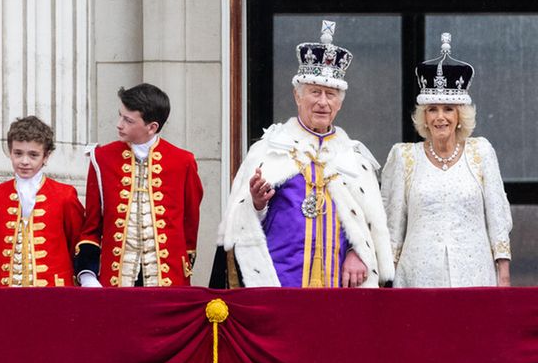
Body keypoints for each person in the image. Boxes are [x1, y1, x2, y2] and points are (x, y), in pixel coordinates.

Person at [214, 20, 392, 288]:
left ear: (339, 103)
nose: (322, 101)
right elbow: (241, 225)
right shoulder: (267, 150)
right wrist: (257, 203)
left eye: (330, 94)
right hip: (278, 282)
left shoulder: (355, 159)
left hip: (339, 289)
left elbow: (368, 226)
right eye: (314, 92)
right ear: (298, 96)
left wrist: (359, 252)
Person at [382, 33, 512, 287]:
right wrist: (387, 278)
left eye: (448, 109)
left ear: (460, 115)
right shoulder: (404, 156)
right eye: (433, 109)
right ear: (424, 116)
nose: (440, 117)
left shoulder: (481, 152)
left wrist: (503, 274)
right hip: (418, 279)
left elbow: (497, 216)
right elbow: (393, 224)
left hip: (474, 277)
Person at [76, 84, 203, 287]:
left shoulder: (183, 162)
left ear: (152, 127)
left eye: (128, 120)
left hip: (168, 279)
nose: (119, 124)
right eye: (120, 116)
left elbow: (190, 224)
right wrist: (88, 274)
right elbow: (91, 225)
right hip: (116, 279)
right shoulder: (101, 159)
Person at [0, 116, 84, 287]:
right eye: (18, 153)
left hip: (54, 292)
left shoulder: (65, 194)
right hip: (4, 292)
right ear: (9, 152)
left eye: (33, 155)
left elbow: (75, 244)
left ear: (46, 156)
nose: (24, 161)